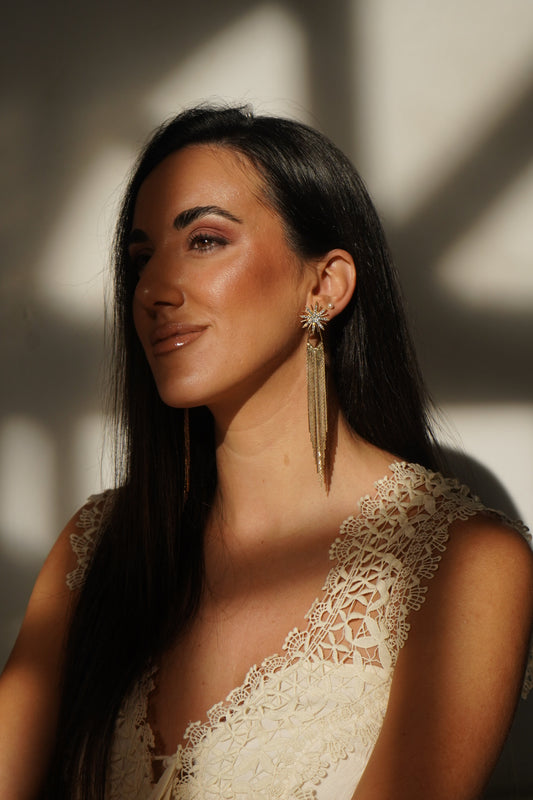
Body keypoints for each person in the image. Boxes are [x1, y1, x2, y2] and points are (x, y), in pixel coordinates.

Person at [1, 105, 532, 800]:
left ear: (325, 284)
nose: (154, 290)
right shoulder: (96, 546)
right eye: (141, 259)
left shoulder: (464, 561)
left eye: (205, 240)